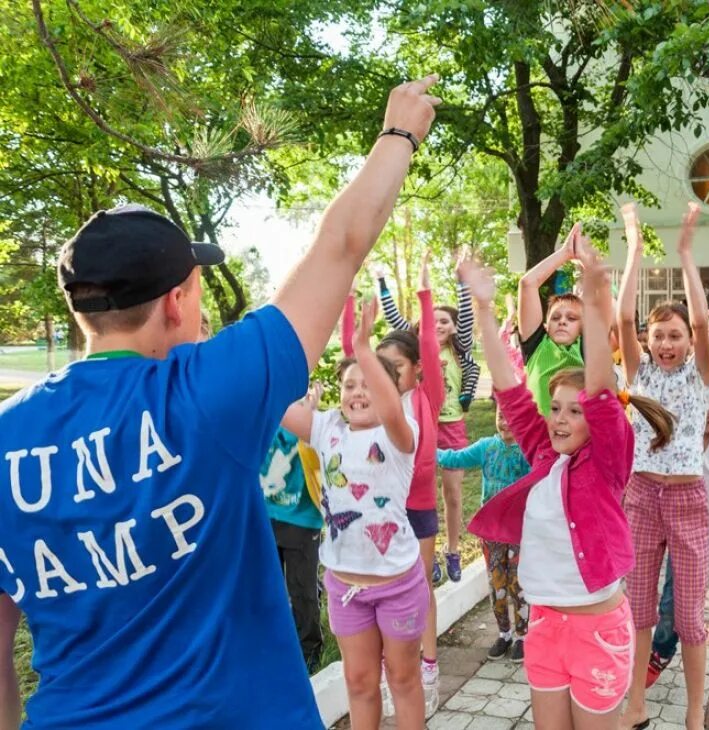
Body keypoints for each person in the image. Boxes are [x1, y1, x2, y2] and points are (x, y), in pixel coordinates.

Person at [0, 76, 439, 729]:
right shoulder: (212, 391)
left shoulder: (8, 436)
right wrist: (398, 134)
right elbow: (342, 245)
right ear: (178, 300)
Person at [465, 237, 675, 729]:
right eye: (555, 408)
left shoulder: (606, 461)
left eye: (573, 412)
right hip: (544, 627)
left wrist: (597, 304)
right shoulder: (542, 453)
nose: (559, 420)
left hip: (597, 631)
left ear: (595, 419)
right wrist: (482, 306)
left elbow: (601, 390)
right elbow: (509, 388)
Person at [282, 297, 427, 729]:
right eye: (349, 384)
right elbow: (270, 399)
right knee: (359, 682)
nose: (357, 391)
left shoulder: (401, 434)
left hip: (397, 584)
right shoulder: (325, 427)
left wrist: (363, 346)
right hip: (344, 585)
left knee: (403, 679)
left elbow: (388, 405)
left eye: (369, 383)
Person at [617, 202, 709, 730]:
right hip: (641, 496)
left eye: (675, 335)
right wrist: (634, 248)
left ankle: (695, 713)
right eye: (659, 335)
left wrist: (683, 251)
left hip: (686, 499)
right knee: (637, 608)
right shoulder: (640, 374)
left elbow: (701, 318)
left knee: (691, 616)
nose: (666, 343)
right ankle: (636, 704)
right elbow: (620, 316)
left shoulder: (701, 374)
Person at [360, 256, 445, 714]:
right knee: (382, 589)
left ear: (416, 369)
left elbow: (429, 340)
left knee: (421, 588)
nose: (390, 372)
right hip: (382, 511)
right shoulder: (373, 407)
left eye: (398, 364)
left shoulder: (427, 396)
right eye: (382, 364)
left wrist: (426, 292)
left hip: (419, 508)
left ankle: (426, 667)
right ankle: (385, 670)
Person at [647, 316, 709, 685]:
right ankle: (659, 652)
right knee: (672, 601)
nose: (708, 413)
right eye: (703, 407)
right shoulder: (681, 440)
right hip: (687, 527)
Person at [376, 255, 476, 584]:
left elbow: (467, 315)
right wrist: (386, 284)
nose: (439, 325)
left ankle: (451, 549)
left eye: (446, 320)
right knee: (421, 490)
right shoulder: (416, 349)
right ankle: (425, 554)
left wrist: (462, 283)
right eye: (433, 321)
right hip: (421, 427)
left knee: (452, 494)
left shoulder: (460, 349)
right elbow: (396, 317)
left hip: (452, 427)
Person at [437, 404, 530, 663]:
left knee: (518, 584)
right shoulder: (487, 447)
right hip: (491, 532)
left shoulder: (527, 451)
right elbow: (455, 459)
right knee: (496, 584)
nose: (505, 423)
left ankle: (523, 637)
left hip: (519, 532)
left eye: (512, 418)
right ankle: (504, 634)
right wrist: (426, 451)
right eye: (501, 416)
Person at [261, 423, 325, 674]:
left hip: (301, 519)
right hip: (267, 514)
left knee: (302, 590)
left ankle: (310, 651)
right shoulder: (257, 416)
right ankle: (276, 643)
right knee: (269, 587)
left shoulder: (305, 421)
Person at [518, 222, 586, 414]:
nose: (562, 321)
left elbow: (602, 298)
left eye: (572, 318)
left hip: (576, 441)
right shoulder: (537, 346)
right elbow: (527, 283)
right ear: (547, 325)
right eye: (556, 317)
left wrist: (587, 263)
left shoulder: (585, 347)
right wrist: (565, 253)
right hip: (537, 442)